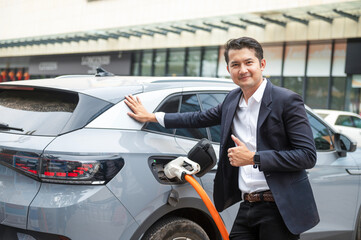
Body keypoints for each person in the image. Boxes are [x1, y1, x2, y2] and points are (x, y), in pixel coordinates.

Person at [125, 36, 319, 240]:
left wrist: (254, 158)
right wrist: (153, 116)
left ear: (262, 64)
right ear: (229, 70)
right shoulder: (232, 100)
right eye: (235, 64)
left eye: (248, 62)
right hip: (248, 205)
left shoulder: (286, 100)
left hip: (280, 206)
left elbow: (307, 156)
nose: (242, 70)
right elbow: (198, 117)